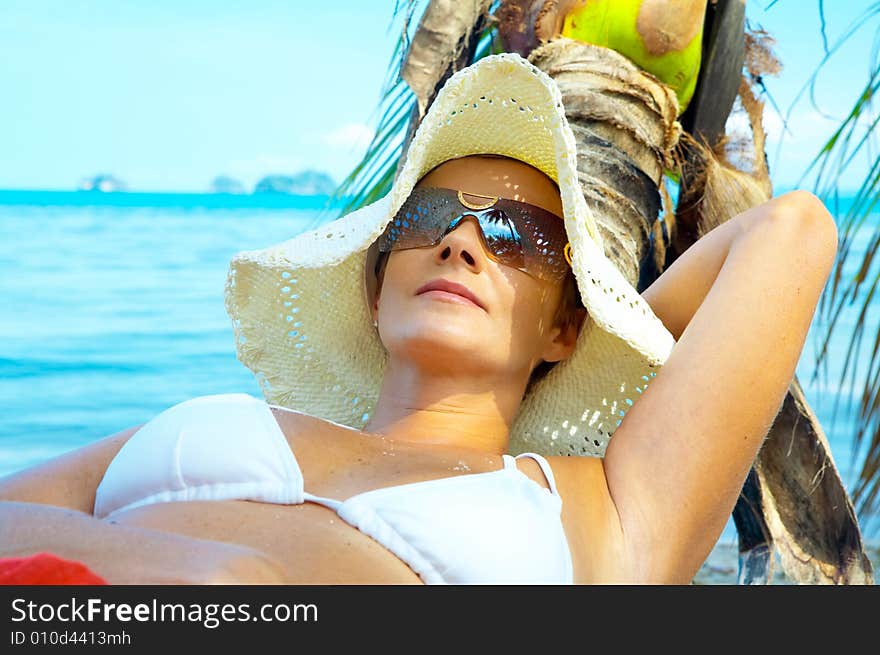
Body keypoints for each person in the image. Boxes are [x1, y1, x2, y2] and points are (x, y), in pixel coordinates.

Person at [0, 53, 837, 585]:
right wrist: (216, 575)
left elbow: (789, 233)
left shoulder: (598, 511)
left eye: (517, 237)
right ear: (375, 284)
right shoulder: (215, 421)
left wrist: (589, 359)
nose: (463, 242)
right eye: (429, 216)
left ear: (564, 328)